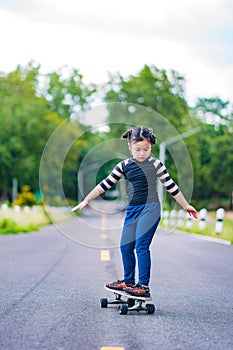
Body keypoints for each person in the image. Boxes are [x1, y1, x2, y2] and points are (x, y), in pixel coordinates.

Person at [71, 126, 198, 297]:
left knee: (141, 246)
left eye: (146, 149)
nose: (141, 153)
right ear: (130, 147)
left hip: (150, 209)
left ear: (151, 147)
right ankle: (128, 281)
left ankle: (143, 286)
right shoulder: (123, 166)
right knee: (125, 246)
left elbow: (171, 187)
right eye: (137, 149)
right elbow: (104, 185)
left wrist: (185, 205)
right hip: (132, 210)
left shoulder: (156, 165)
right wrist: (86, 200)